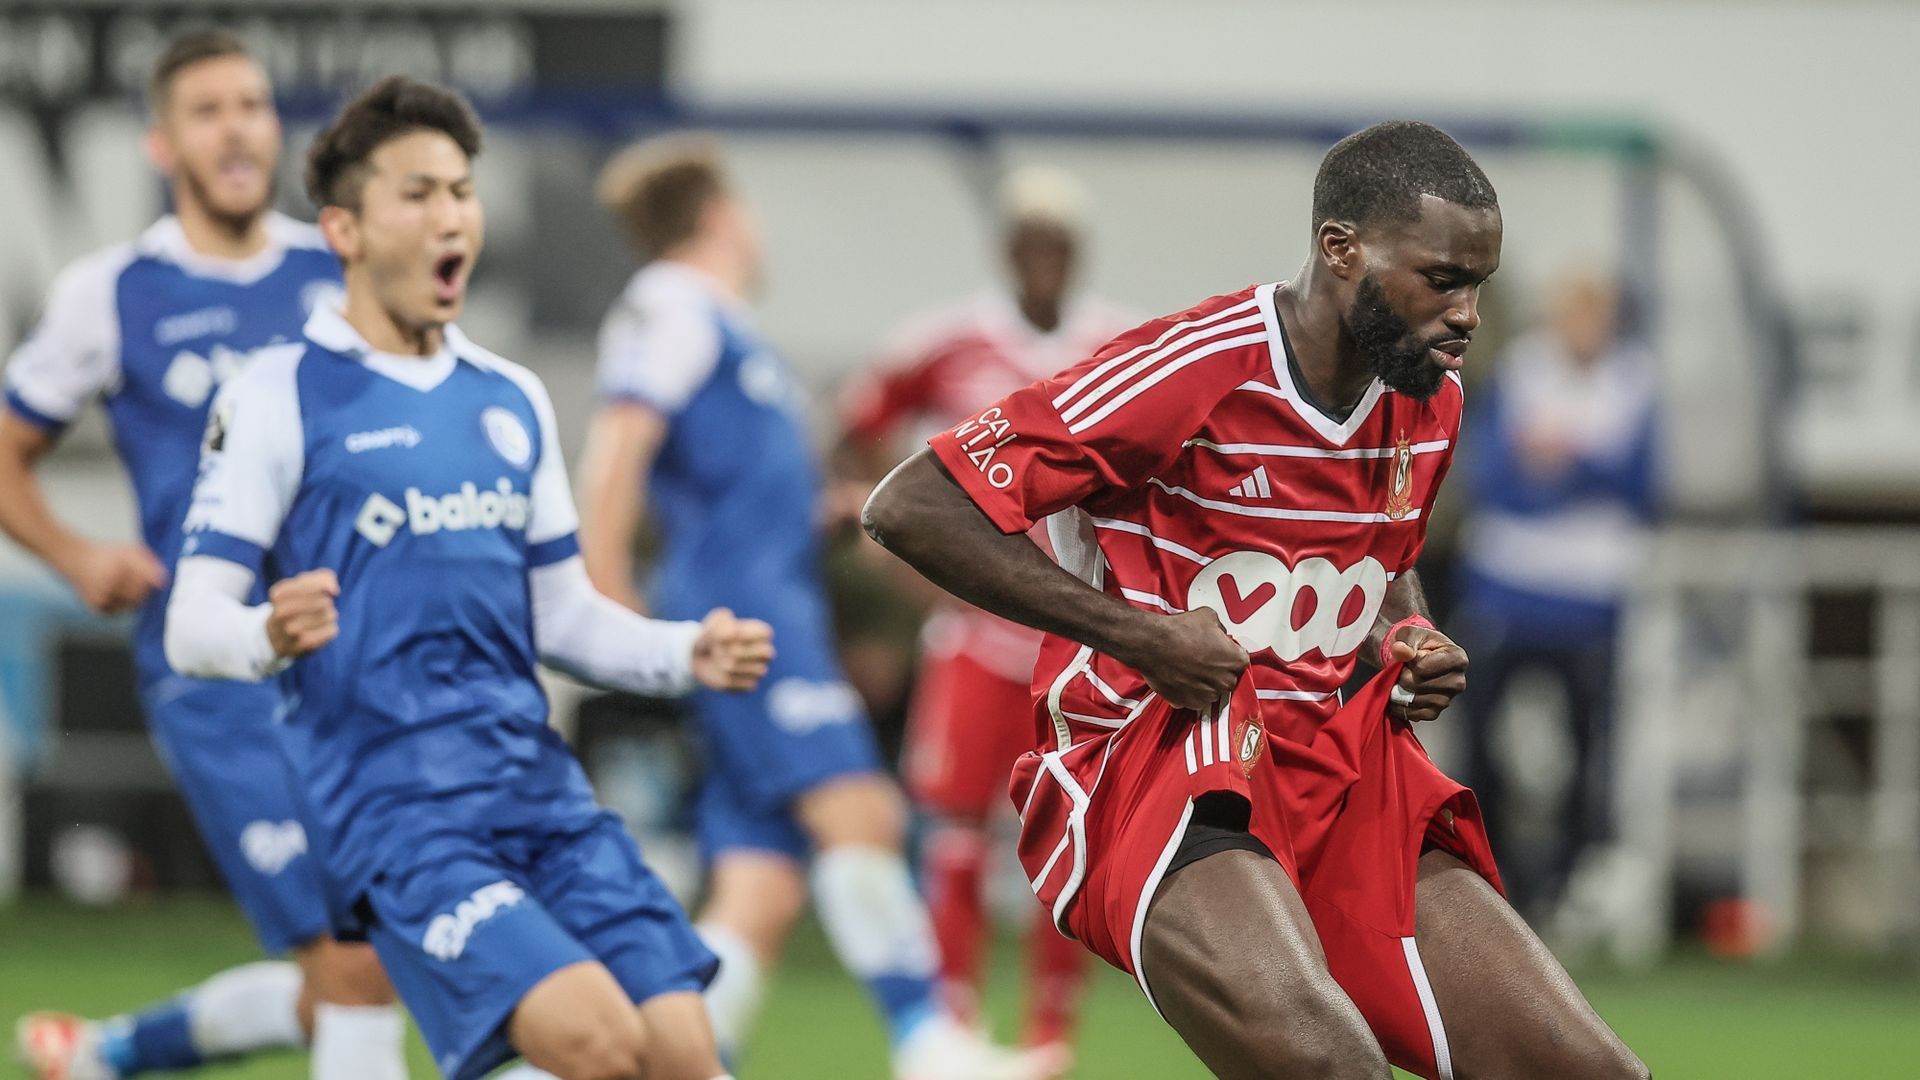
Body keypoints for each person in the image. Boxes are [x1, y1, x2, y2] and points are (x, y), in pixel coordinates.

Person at [863, 121, 1648, 1080]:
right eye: (1443, 279)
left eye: (1477, 284)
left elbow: (1377, 564)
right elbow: (910, 503)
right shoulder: (1191, 368)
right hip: (1151, 764)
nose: (1467, 314)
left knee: (1590, 1073)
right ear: (1341, 248)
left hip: (1336, 770)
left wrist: (1404, 636)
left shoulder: (1428, 399)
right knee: (1328, 1066)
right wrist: (1137, 634)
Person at [161, 76, 772, 1080]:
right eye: (418, 193)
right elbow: (191, 623)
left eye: (462, 190)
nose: (451, 216)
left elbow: (560, 611)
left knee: (686, 1059)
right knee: (599, 1045)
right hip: (398, 815)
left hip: (538, 794)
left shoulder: (511, 397)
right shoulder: (278, 395)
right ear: (345, 230)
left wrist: (678, 650)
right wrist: (264, 634)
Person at [577, 136, 1039, 1079]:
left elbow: (722, 481)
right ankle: (928, 1046)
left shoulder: (714, 322)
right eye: (743, 206)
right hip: (742, 623)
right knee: (862, 813)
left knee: (762, 884)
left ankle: (672, 1062)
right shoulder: (674, 302)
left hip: (763, 604)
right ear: (718, 215)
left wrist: (813, 510)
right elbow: (620, 441)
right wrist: (602, 587)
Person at [3, 31, 406, 1080]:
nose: (237, 126)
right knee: (356, 966)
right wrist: (74, 553)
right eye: (208, 109)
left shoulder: (338, 267)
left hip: (354, 656)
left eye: (253, 105)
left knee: (374, 968)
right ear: (162, 142)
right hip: (217, 665)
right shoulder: (115, 290)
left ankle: (108, 1056)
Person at [838, 165, 1135, 1069]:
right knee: (955, 832)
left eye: (1058, 243)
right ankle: (953, 1026)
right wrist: (895, 554)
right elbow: (859, 429)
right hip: (973, 634)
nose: (1042, 258)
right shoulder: (946, 342)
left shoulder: (1117, 342)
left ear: (1076, 253)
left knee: (1066, 833)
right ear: (1007, 250)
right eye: (1027, 241)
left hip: (1075, 636)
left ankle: (1052, 1037)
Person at [1454, 272, 1659, 919]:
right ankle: (1493, 867)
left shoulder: (1635, 383)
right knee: (1480, 735)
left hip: (1591, 594)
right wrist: (1578, 475)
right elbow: (1492, 478)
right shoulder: (1521, 372)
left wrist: (1565, 461)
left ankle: (1563, 881)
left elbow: (1643, 486)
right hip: (1508, 585)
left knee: (1587, 749)